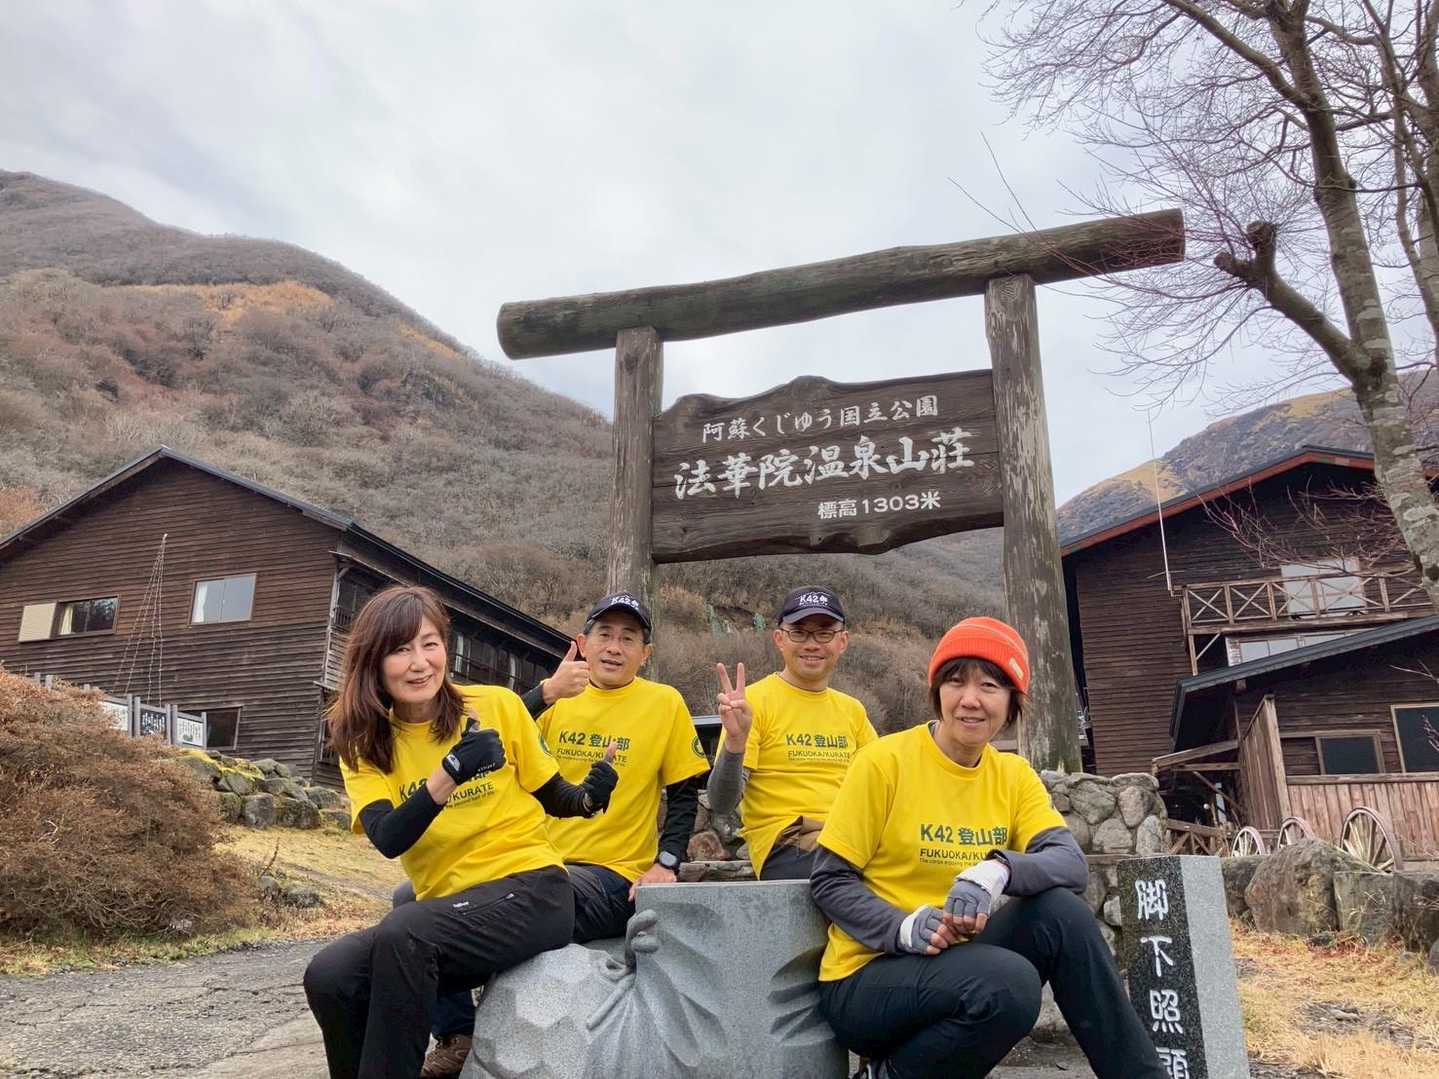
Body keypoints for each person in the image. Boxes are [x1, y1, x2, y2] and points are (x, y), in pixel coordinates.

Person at [810, 617, 1165, 1079]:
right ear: (937, 691)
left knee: (1062, 913)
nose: (970, 699)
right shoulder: (883, 763)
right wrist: (903, 926)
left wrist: (996, 871)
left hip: (955, 967)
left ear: (1012, 701)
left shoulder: (1012, 776)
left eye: (990, 686)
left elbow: (1069, 863)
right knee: (1008, 984)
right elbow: (830, 879)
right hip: (869, 978)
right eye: (956, 681)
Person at [303, 586, 618, 1079]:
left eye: (429, 644)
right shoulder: (365, 739)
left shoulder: (496, 705)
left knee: (405, 931)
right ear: (373, 662)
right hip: (449, 908)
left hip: (533, 891)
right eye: (400, 649)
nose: (419, 663)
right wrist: (451, 772)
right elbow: (388, 837)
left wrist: (589, 797)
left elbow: (555, 795)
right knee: (331, 975)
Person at [416, 591, 710, 1077]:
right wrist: (545, 693)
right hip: (527, 862)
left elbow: (683, 794)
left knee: (489, 914)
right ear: (582, 643)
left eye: (628, 638)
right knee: (415, 897)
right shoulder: (555, 696)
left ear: (645, 653)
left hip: (609, 875)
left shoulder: (664, 704)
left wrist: (667, 863)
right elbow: (484, 739)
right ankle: (456, 1035)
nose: (614, 647)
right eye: (604, 634)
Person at [707, 586, 877, 879]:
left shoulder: (853, 711)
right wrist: (735, 744)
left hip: (849, 837)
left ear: (842, 641)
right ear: (779, 639)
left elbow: (881, 785)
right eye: (799, 633)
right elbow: (722, 803)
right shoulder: (751, 704)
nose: (812, 644)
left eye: (824, 633)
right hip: (787, 843)